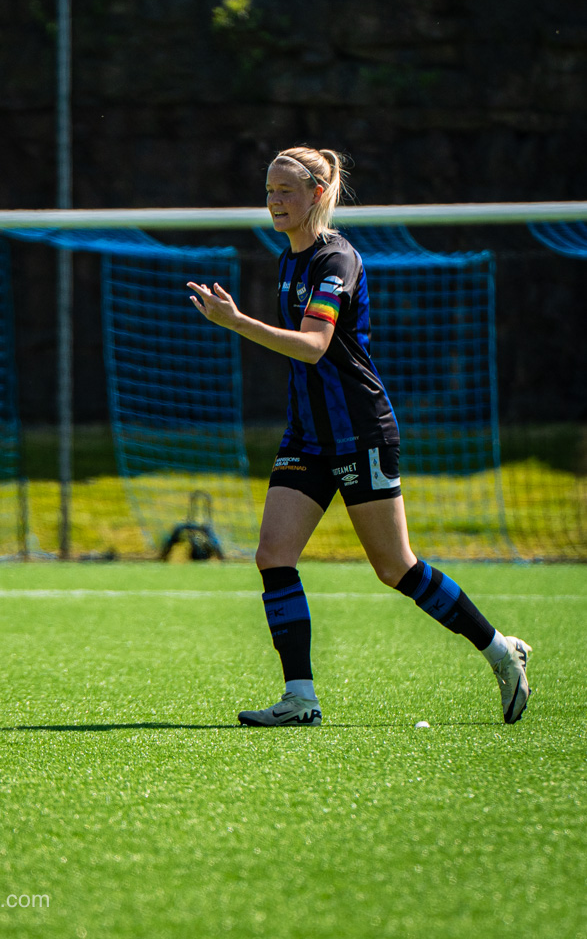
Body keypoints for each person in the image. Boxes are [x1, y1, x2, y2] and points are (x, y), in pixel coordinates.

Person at [187, 145, 531, 727]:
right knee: (273, 555)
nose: (274, 200)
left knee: (395, 567)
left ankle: (500, 650)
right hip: (307, 438)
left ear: (317, 194)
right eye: (269, 190)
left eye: (286, 190)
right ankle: (300, 699)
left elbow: (314, 347)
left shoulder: (337, 259)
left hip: (360, 434)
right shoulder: (287, 259)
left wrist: (238, 322)